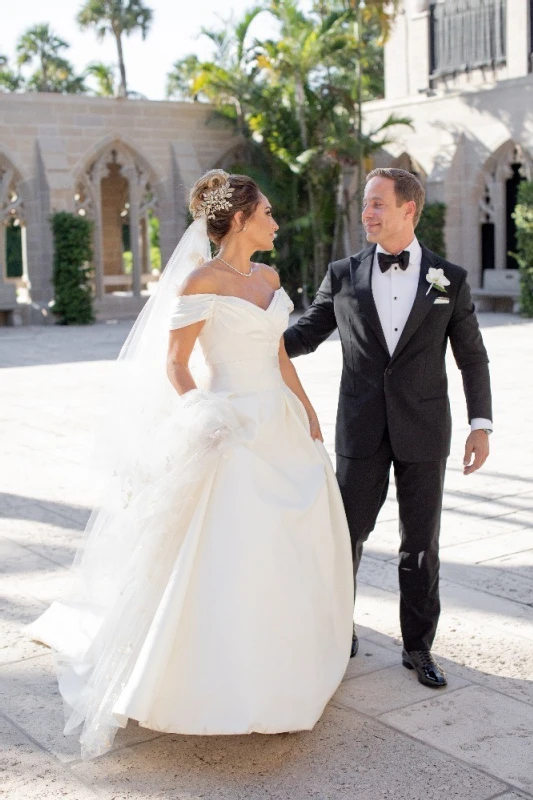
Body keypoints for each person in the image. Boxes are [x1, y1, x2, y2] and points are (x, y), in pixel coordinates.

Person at [29, 170, 353, 760]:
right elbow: (176, 366)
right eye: (268, 213)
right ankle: (218, 684)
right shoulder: (201, 280)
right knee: (233, 551)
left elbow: (278, 352)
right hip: (227, 426)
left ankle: (291, 667)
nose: (276, 222)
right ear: (239, 219)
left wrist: (306, 408)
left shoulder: (269, 277)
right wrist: (205, 418)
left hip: (278, 422)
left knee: (293, 545)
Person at [284, 168, 492, 689]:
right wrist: (251, 341)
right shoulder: (343, 273)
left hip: (425, 429)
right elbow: (307, 334)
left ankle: (418, 647)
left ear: (409, 210)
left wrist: (480, 424)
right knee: (345, 535)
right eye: (366, 204)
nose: (367, 213)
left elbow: (472, 357)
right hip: (360, 427)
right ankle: (338, 629)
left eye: (378, 204)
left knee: (420, 543)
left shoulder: (450, 279)